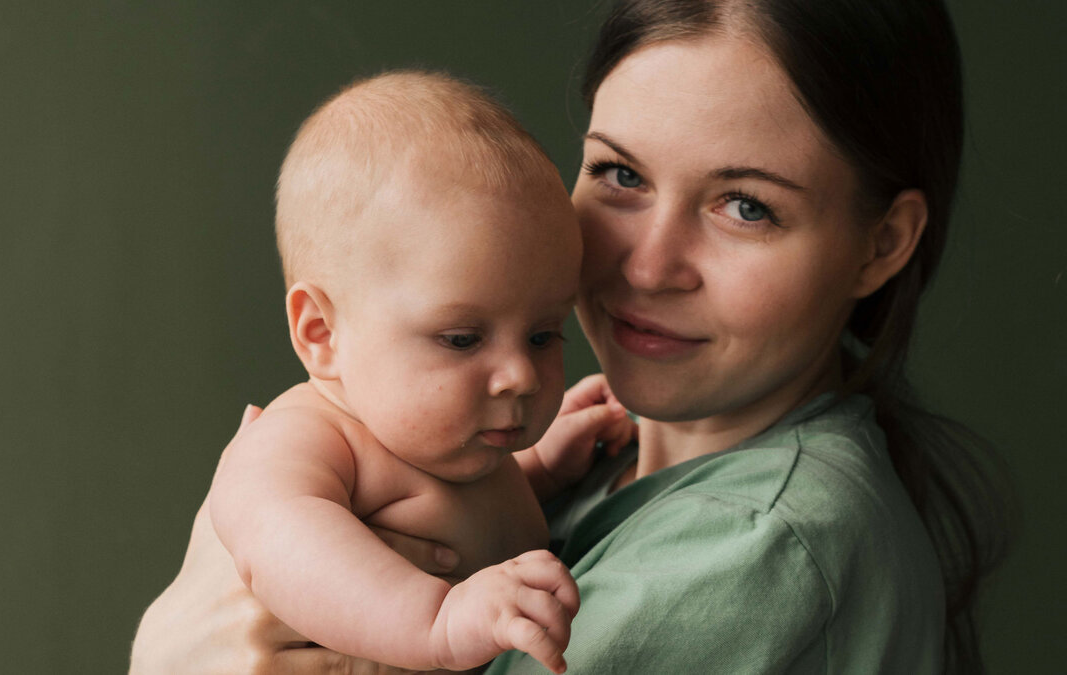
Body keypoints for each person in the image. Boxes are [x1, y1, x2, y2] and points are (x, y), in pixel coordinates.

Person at [130, 0, 1011, 673]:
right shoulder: (591, 463)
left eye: (746, 205)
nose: (648, 265)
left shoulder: (758, 542)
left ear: (883, 242)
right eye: (620, 173)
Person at [203, 71, 640, 674]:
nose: (520, 375)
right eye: (462, 339)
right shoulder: (308, 437)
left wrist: (541, 470)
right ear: (322, 334)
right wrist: (438, 620)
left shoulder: (449, 446)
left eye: (543, 335)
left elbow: (462, 516)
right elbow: (276, 538)